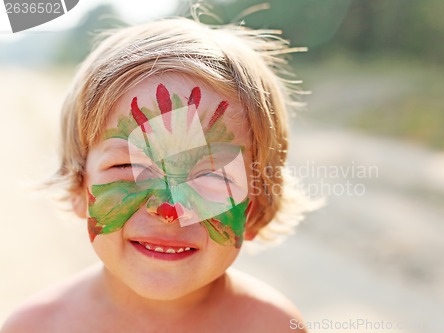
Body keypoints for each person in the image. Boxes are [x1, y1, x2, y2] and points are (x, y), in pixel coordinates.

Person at [1, 12, 316, 333]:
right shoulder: (35, 327)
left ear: (256, 207)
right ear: (78, 187)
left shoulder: (275, 326)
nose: (168, 210)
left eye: (210, 177)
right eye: (128, 167)